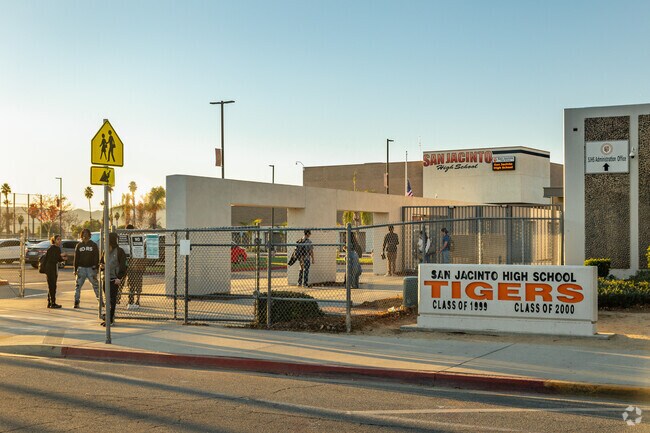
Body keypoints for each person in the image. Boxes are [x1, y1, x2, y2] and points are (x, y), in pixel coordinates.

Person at [100, 232, 127, 326]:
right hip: (105, 278)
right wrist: (101, 266)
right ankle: (108, 317)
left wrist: (119, 277)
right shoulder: (105, 251)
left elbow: (124, 266)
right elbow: (101, 262)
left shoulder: (119, 251)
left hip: (114, 279)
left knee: (112, 300)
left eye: (105, 239)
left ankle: (110, 319)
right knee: (107, 299)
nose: (104, 241)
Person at [73, 228, 99, 308]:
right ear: (81, 235)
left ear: (89, 235)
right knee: (78, 286)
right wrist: (75, 269)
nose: (85, 235)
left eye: (86, 234)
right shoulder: (79, 245)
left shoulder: (93, 245)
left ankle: (100, 301)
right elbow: (76, 258)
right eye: (83, 234)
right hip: (81, 268)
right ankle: (76, 302)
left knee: (95, 286)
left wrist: (96, 267)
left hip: (91, 268)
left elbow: (96, 256)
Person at [44, 234, 67, 309]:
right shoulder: (52, 248)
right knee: (52, 286)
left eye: (60, 239)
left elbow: (57, 259)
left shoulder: (57, 248)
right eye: (58, 239)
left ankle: (50, 302)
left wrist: (62, 258)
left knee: (52, 286)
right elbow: (52, 259)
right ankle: (52, 303)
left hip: (53, 269)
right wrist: (60, 256)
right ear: (54, 240)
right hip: (50, 269)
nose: (59, 241)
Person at [125, 224, 144, 309]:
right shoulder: (125, 241)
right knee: (131, 284)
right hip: (131, 267)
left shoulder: (136, 239)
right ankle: (131, 300)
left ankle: (137, 300)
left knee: (138, 284)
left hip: (138, 266)